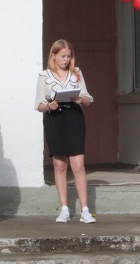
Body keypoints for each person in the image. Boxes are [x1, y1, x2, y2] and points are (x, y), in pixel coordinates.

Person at [34, 39, 96, 224]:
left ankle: (85, 210)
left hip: (74, 116)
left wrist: (81, 100)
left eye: (69, 56)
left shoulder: (76, 73)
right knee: (59, 165)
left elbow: (87, 97)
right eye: (63, 56)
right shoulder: (44, 76)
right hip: (55, 118)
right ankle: (64, 208)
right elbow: (38, 104)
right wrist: (49, 105)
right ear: (54, 56)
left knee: (78, 164)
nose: (66, 60)